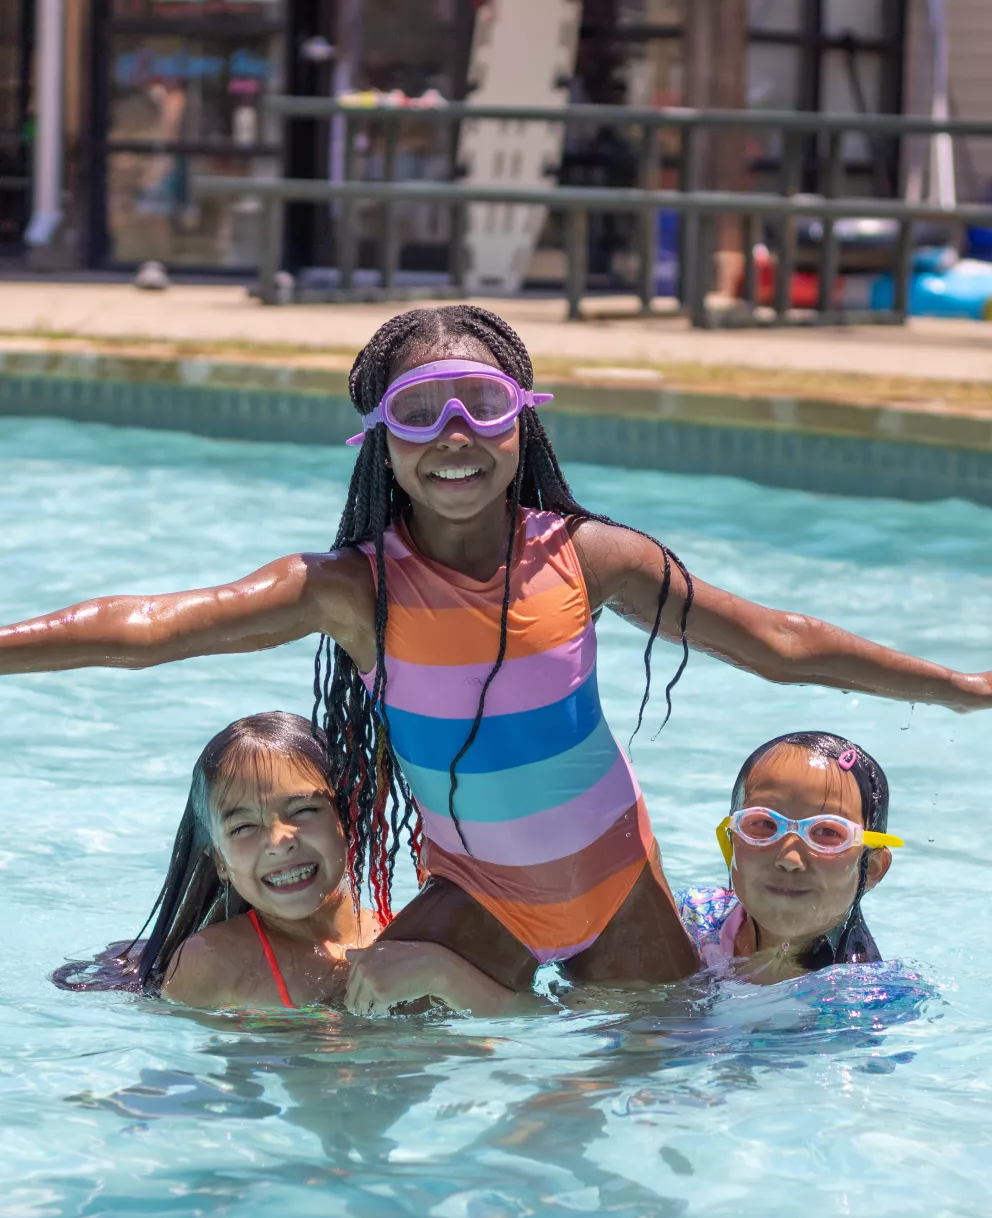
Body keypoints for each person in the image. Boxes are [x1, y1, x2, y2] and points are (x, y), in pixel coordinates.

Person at [8, 305, 990, 1004]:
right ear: (378, 441)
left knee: (668, 1072)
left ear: (522, 418)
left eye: (481, 405)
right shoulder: (353, 587)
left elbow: (777, 642)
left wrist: (954, 687)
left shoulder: (587, 556)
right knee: (374, 1025)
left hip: (617, 888)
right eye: (417, 415)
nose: (453, 438)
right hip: (477, 897)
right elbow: (148, 627)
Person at [52, 711, 506, 1014]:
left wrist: (441, 974)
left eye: (304, 811)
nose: (278, 842)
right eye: (243, 828)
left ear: (348, 818)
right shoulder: (216, 962)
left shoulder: (411, 936)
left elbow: (525, 1029)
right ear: (221, 863)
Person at [677, 732, 902, 983]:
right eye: (763, 824)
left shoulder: (865, 998)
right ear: (732, 840)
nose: (789, 859)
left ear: (872, 868)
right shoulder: (692, 917)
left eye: (827, 832)